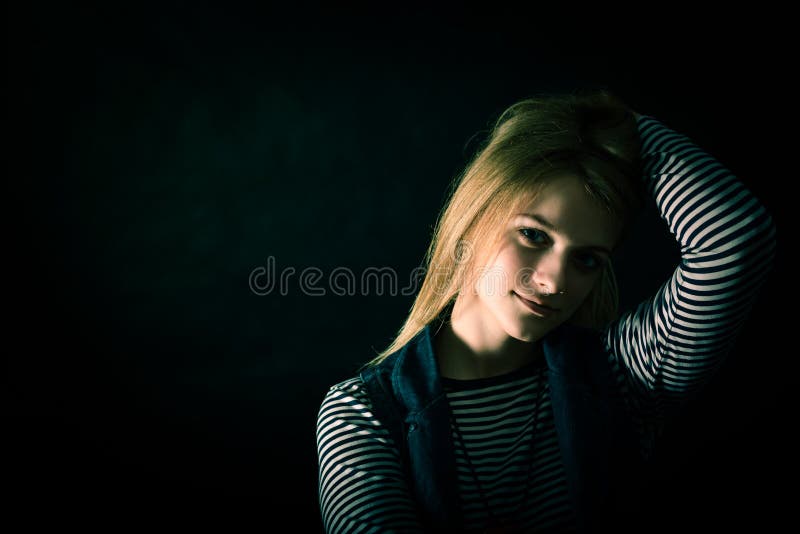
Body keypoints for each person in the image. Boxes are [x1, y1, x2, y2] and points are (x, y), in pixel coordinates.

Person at [315, 90, 776, 533]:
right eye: (534, 235)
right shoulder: (362, 415)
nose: (555, 282)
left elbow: (736, 239)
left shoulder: (622, 374)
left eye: (587, 259)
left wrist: (616, 127)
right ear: (474, 216)